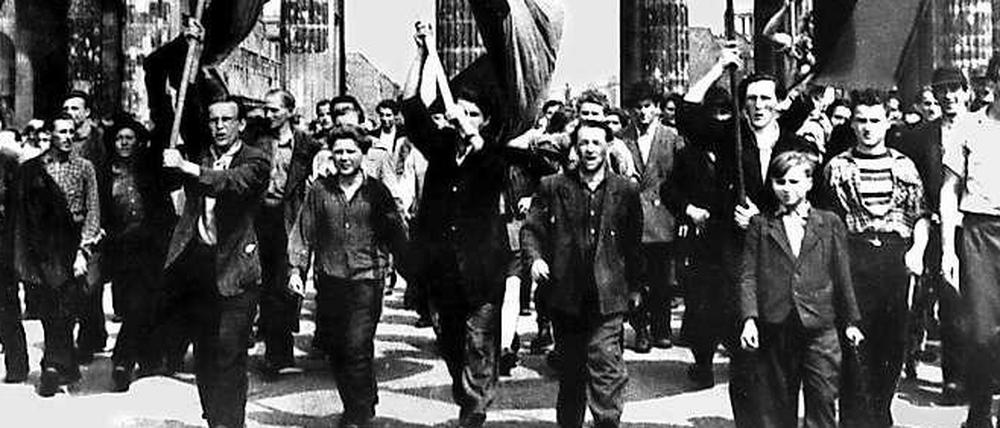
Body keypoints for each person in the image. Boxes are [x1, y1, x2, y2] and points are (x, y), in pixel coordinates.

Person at [672, 44, 816, 427]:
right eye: (750, 99)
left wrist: (763, 219)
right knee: (746, 356)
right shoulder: (728, 137)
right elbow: (686, 113)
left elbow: (807, 203)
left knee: (783, 354)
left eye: (766, 98)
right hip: (736, 261)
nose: (758, 105)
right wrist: (718, 66)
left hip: (783, 261)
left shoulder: (794, 143)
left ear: (778, 103)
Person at [400, 22, 512, 428]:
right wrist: (423, 54)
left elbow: (492, 172)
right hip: (441, 268)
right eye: (459, 111)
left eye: (472, 114)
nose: (463, 118)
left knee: (479, 341)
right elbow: (411, 107)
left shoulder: (494, 156)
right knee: (450, 341)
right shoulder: (441, 148)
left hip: (481, 270)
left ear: (484, 121)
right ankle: (467, 391)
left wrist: (477, 140)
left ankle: (476, 406)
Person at [521, 120, 643, 428]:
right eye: (584, 143)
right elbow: (531, 229)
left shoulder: (625, 190)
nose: (590, 149)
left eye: (596, 143)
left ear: (607, 147)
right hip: (567, 296)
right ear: (576, 147)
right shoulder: (553, 186)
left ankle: (606, 423)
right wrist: (535, 259)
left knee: (606, 366)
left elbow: (633, 244)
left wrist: (636, 288)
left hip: (608, 295)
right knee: (572, 372)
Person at [287, 124, 409, 428]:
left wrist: (411, 266)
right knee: (339, 348)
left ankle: (357, 413)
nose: (344, 157)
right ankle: (362, 400)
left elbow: (396, 234)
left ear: (362, 154)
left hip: (368, 277)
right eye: (338, 151)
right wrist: (295, 269)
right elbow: (304, 232)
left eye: (350, 151)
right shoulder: (319, 190)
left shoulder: (377, 192)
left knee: (356, 344)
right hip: (331, 278)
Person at [161, 97, 270, 428]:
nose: (219, 126)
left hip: (238, 269)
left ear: (241, 124)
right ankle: (215, 417)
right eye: (213, 120)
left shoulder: (256, 160)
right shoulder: (201, 154)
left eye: (227, 119)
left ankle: (230, 423)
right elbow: (175, 184)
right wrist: (172, 167)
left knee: (230, 352)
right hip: (200, 267)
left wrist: (186, 168)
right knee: (205, 353)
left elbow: (230, 183)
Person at [824, 89, 927, 428]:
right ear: (852, 124)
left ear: (887, 122)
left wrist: (917, 249)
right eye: (861, 121)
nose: (868, 128)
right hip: (853, 258)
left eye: (875, 121)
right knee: (854, 345)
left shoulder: (904, 167)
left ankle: (881, 416)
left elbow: (921, 215)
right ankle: (853, 421)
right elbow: (826, 221)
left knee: (891, 345)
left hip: (894, 261)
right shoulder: (837, 167)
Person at [739, 151, 863, 428]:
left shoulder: (828, 222)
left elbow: (842, 275)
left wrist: (851, 321)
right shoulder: (760, 224)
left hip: (820, 326)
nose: (786, 189)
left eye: (794, 181)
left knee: (823, 397)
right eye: (779, 181)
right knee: (776, 402)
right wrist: (749, 319)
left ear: (809, 183)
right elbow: (748, 276)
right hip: (777, 323)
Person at [889, 66, 972, 405]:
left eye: (955, 88)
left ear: (966, 92)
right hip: (938, 229)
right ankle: (953, 379)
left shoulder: (984, 128)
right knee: (949, 302)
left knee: (983, 304)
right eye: (943, 90)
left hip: (980, 227)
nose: (949, 95)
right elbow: (911, 182)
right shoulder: (918, 136)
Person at [11, 113, 102, 396]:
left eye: (71, 132)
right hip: (42, 245)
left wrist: (83, 251)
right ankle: (59, 363)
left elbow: (93, 211)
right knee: (49, 307)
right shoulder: (31, 170)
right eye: (61, 131)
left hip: (72, 243)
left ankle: (54, 363)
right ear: (49, 134)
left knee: (67, 305)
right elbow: (22, 216)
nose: (66, 137)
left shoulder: (85, 168)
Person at [941, 55, 1000, 428]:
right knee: (981, 333)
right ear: (994, 80)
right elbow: (949, 189)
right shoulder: (969, 126)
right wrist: (949, 248)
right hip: (980, 233)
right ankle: (978, 413)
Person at [100, 119, 176, 391]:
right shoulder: (104, 172)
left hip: (151, 247)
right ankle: (149, 356)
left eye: (129, 137)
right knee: (132, 305)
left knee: (142, 303)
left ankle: (123, 360)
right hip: (121, 248)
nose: (124, 142)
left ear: (138, 141)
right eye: (119, 137)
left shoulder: (151, 168)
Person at [254, 89, 321, 376]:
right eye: (266, 110)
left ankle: (280, 352)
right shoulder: (257, 141)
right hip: (260, 219)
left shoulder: (307, 145)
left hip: (290, 219)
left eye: (274, 110)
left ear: (290, 111)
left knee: (285, 287)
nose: (269, 115)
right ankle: (274, 352)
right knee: (264, 286)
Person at [623, 86, 684, 353]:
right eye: (637, 107)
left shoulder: (672, 138)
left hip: (664, 215)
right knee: (636, 277)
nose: (643, 112)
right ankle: (641, 330)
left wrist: (682, 213)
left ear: (657, 108)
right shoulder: (620, 139)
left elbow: (683, 179)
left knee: (662, 278)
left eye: (648, 106)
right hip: (632, 216)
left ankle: (661, 328)